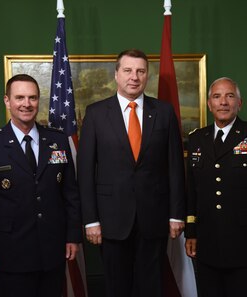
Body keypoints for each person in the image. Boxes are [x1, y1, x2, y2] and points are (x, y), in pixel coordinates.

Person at [77, 49, 186, 297]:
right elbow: (85, 172)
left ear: (147, 75)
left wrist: (176, 215)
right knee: (118, 287)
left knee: (151, 286)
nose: (134, 77)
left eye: (140, 71)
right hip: (111, 220)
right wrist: (91, 220)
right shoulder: (95, 114)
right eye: (127, 70)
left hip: (154, 218)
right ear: (116, 74)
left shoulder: (164, 112)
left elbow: (175, 167)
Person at [0, 74, 82, 297]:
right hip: (10, 253)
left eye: (32, 98)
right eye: (19, 97)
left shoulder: (58, 141)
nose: (26, 104)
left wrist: (73, 236)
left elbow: (70, 194)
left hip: (52, 250)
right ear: (7, 101)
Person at [185, 77, 247, 297]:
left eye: (230, 96)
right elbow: (192, 190)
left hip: (246, 244)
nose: (223, 102)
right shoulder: (197, 139)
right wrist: (191, 232)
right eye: (217, 97)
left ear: (240, 103)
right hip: (207, 243)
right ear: (209, 104)